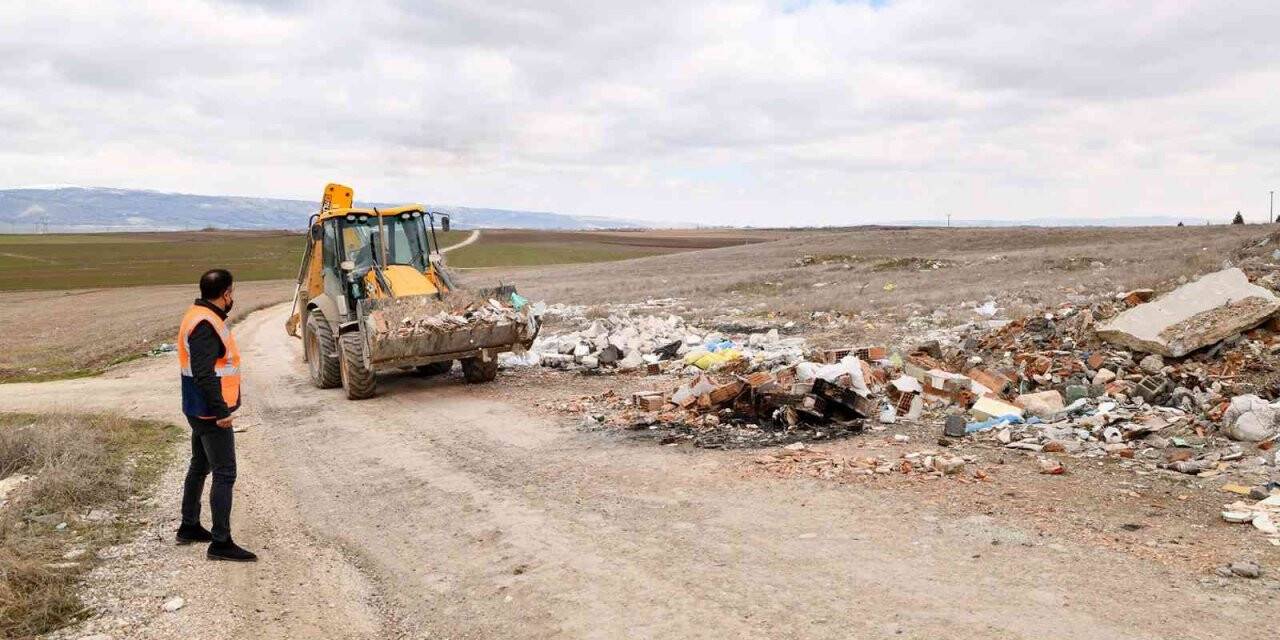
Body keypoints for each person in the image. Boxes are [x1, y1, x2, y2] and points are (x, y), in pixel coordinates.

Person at [175, 268, 257, 562]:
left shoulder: (196, 314)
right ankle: (221, 542)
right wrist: (222, 411)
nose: (232, 296)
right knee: (225, 473)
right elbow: (203, 373)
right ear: (226, 294)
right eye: (232, 292)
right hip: (210, 411)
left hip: (197, 407)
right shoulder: (205, 324)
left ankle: (189, 526)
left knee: (200, 465)